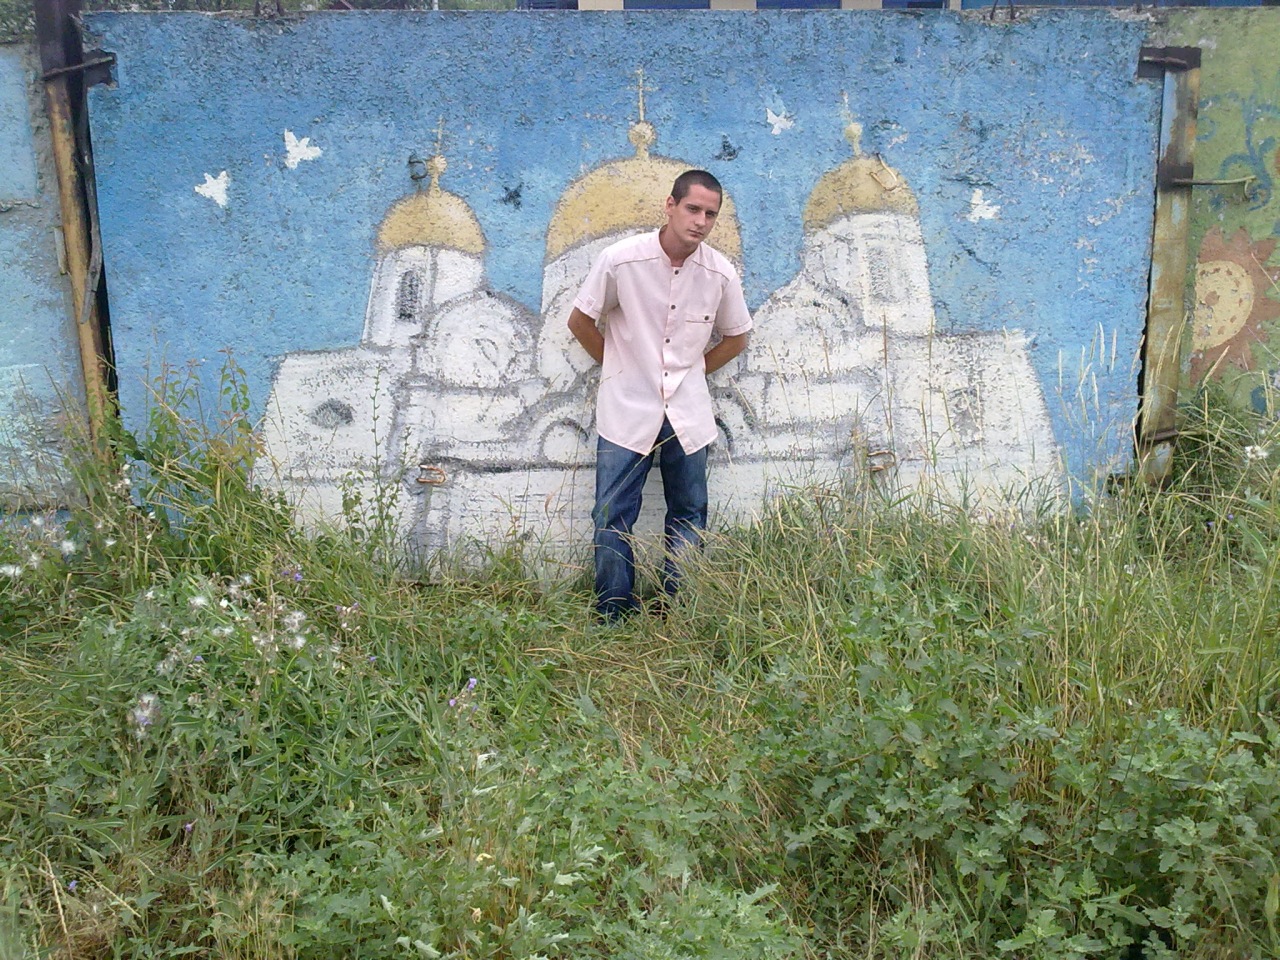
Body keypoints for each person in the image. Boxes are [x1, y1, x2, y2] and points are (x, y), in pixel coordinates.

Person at [567, 169, 752, 619]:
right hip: (627, 407)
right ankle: (613, 611)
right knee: (611, 514)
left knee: (689, 513)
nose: (701, 222)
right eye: (693, 209)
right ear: (670, 206)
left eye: (710, 214)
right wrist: (619, 368)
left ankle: (678, 610)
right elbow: (579, 321)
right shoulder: (621, 260)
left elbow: (737, 336)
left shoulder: (719, 273)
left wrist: (694, 372)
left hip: (688, 412)